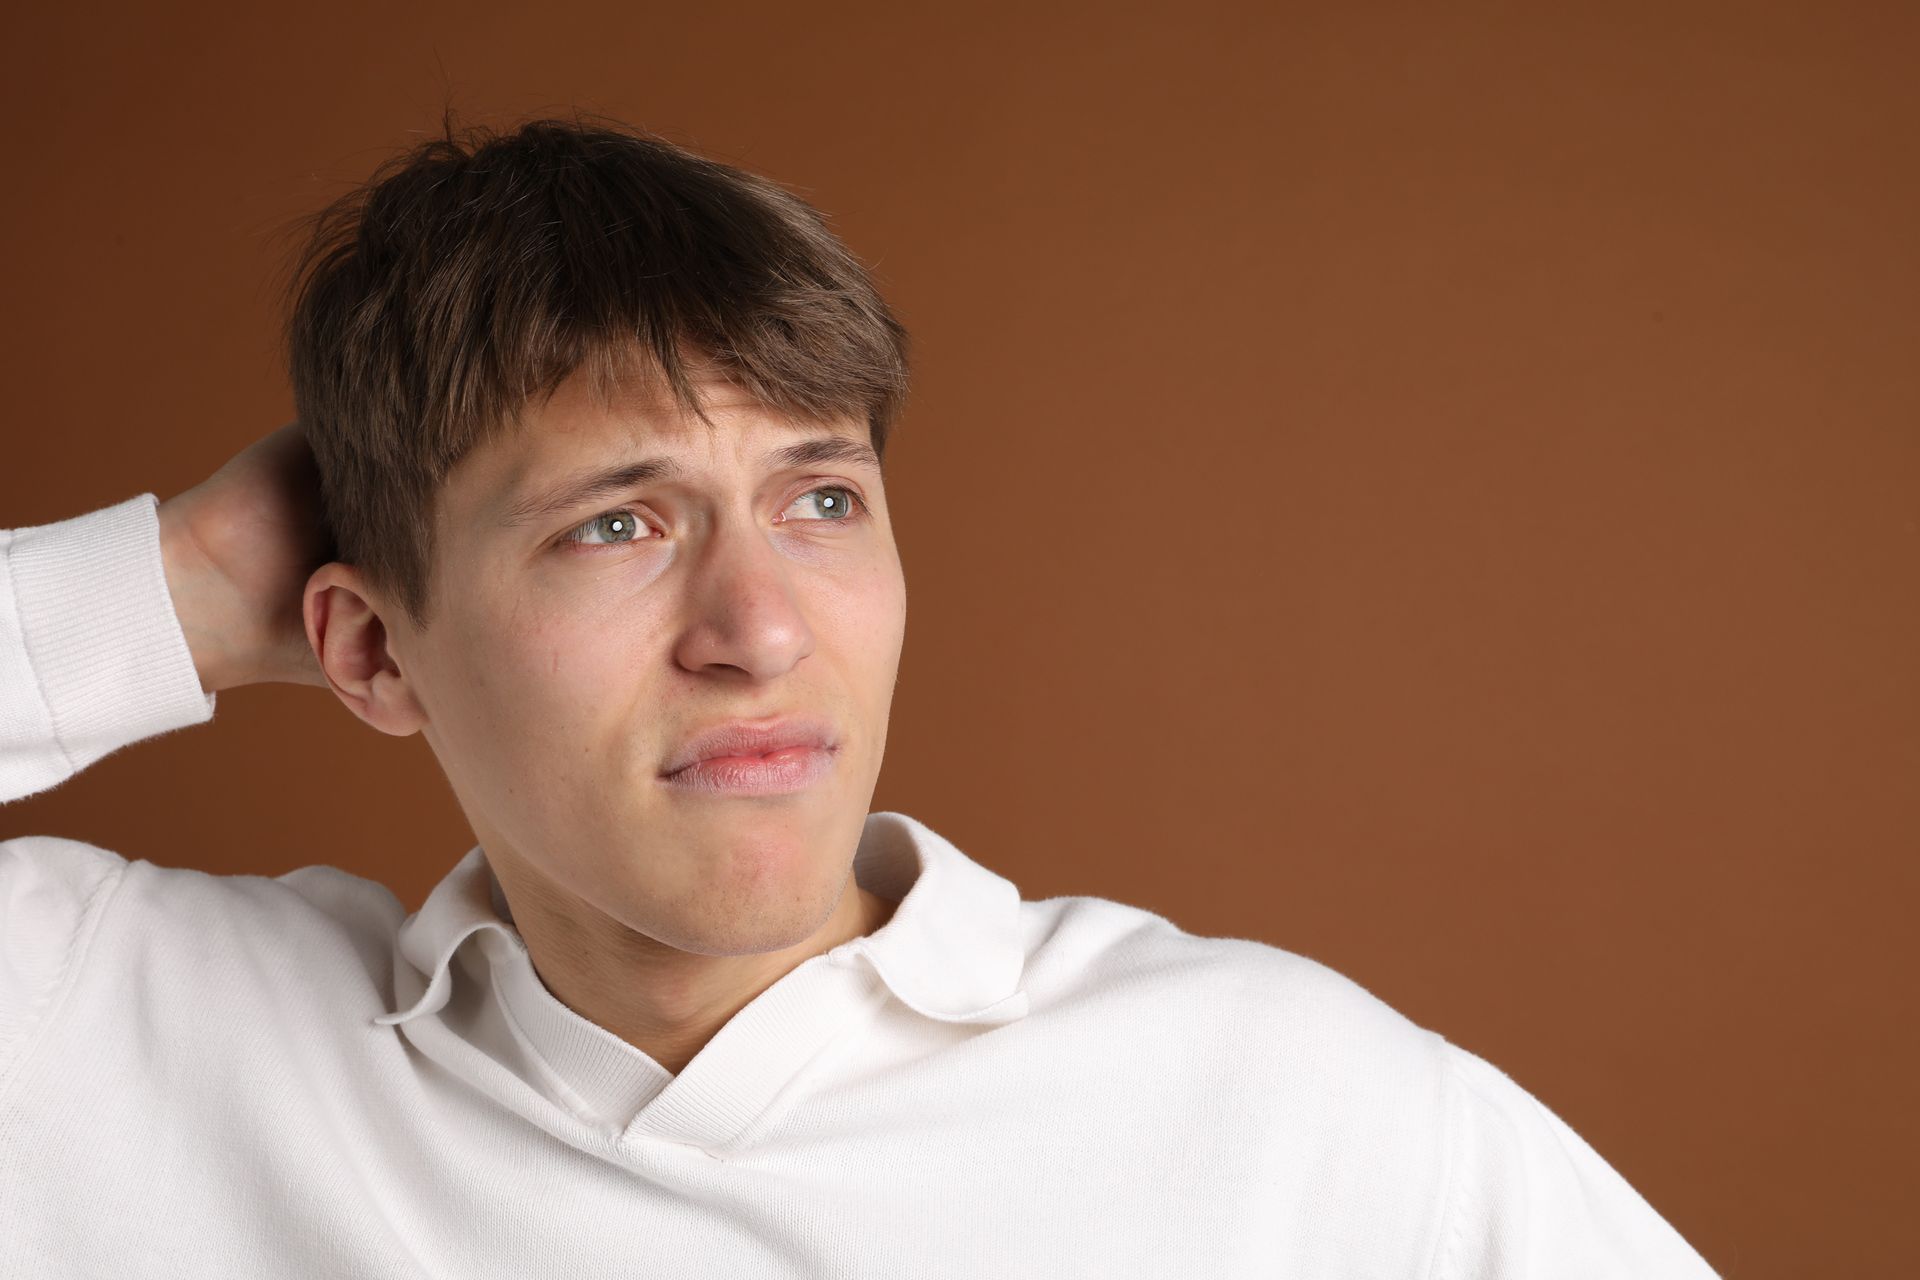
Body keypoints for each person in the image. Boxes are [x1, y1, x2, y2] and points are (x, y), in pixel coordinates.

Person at [0, 113, 1719, 1277]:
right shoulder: (114, 1046)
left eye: (822, 499)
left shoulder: (1288, 1103)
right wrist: (193, 587)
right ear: (374, 649)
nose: (760, 626)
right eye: (619, 523)